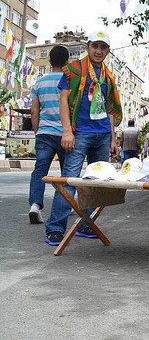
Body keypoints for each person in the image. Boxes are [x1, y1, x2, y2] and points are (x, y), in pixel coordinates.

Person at [44, 31, 122, 246]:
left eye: (103, 47)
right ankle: (55, 228)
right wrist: (67, 131)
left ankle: (86, 225)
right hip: (80, 134)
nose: (98, 51)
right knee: (69, 181)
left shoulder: (108, 76)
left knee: (96, 184)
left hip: (102, 134)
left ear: (108, 51)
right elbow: (63, 100)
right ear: (87, 47)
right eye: (95, 46)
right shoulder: (73, 70)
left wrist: (113, 139)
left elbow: (108, 110)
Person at [28, 45, 70, 224]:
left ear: (50, 61)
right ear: (67, 61)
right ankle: (68, 204)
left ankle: (35, 205)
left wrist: (38, 131)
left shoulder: (40, 82)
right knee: (67, 172)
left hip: (44, 132)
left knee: (40, 170)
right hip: (65, 134)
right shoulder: (68, 81)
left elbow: (34, 111)